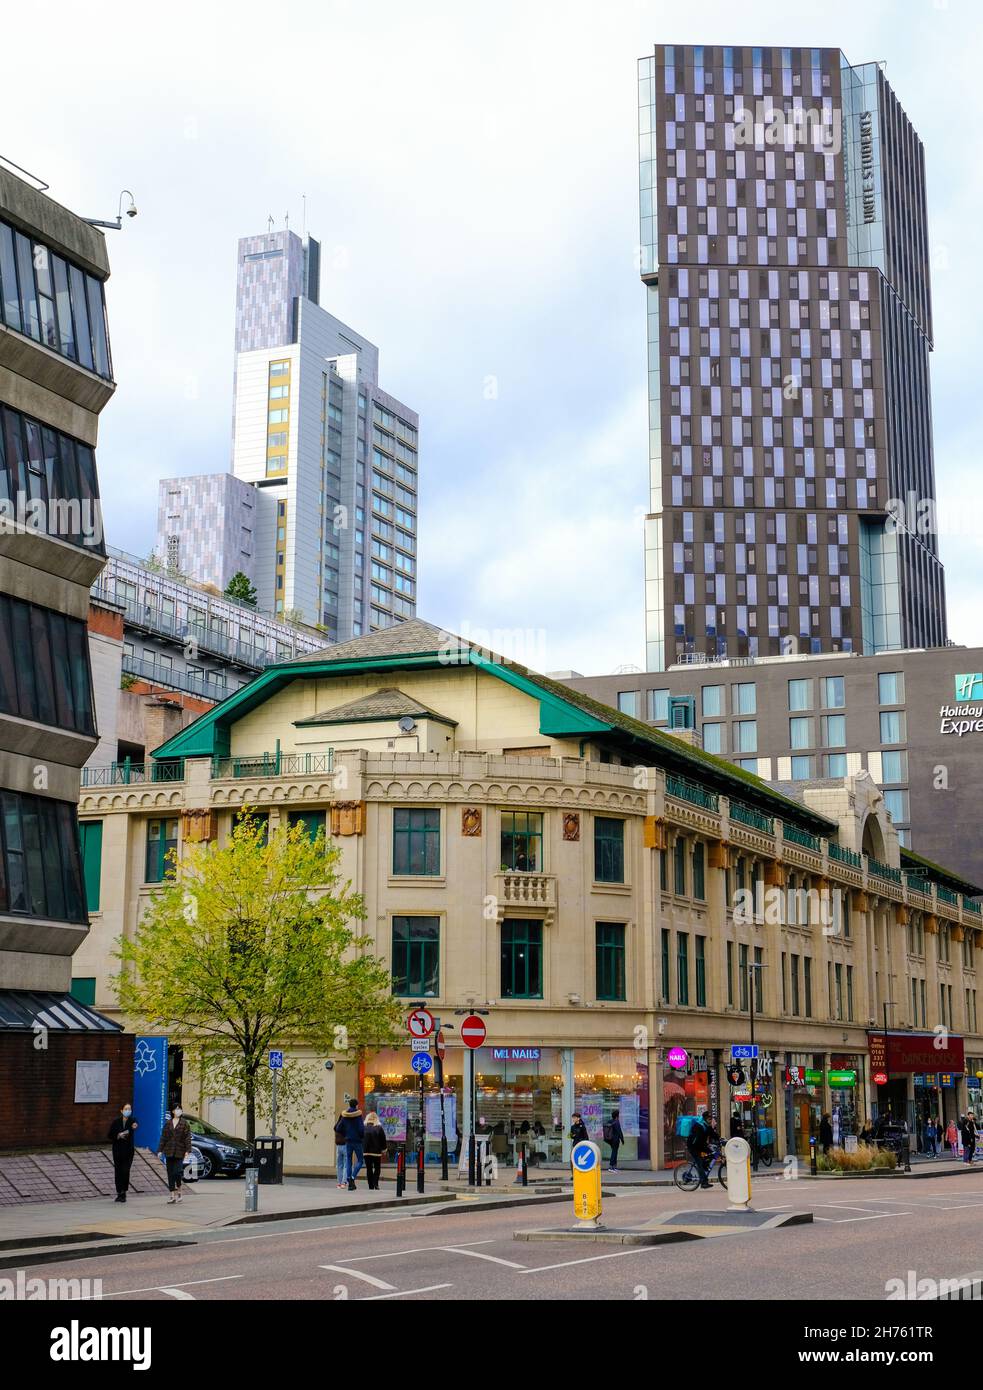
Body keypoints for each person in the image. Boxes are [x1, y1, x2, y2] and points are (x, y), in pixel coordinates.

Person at [157, 1105, 192, 1204]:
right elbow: (163, 1138)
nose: (178, 1110)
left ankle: (179, 1190)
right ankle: (172, 1195)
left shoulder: (184, 1123)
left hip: (179, 1152)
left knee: (177, 1172)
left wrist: (187, 1151)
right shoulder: (168, 1123)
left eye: (180, 1109)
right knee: (170, 1173)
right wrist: (160, 1150)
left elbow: (187, 1138)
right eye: (176, 1109)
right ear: (172, 1111)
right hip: (169, 1151)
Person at [107, 1103, 138, 1203]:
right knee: (118, 1171)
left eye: (129, 1109)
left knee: (125, 1171)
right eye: (126, 1109)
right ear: (121, 1110)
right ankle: (119, 1192)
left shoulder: (132, 1121)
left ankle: (124, 1192)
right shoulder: (116, 1122)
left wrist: (134, 1126)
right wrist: (118, 1135)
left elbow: (135, 1124)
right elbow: (110, 1135)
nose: (128, 1110)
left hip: (128, 1151)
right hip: (118, 1151)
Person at [686, 1109, 718, 1190]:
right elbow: (698, 1141)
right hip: (693, 1147)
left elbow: (713, 1135)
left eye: (711, 1119)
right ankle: (703, 1182)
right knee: (699, 1163)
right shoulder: (699, 1126)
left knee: (712, 1154)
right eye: (709, 1119)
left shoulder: (707, 1126)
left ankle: (705, 1166)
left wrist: (721, 1139)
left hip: (700, 1146)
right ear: (705, 1119)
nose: (711, 1121)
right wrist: (707, 1147)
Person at [339, 1098, 365, 1191]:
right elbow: (361, 1129)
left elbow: (338, 1128)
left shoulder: (345, 1115)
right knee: (360, 1160)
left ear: (349, 1105)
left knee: (349, 1161)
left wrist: (346, 1134)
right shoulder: (358, 1115)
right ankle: (353, 1177)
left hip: (348, 1141)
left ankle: (349, 1179)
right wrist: (361, 1136)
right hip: (357, 1141)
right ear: (356, 1105)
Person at [362, 1111, 388, 1190]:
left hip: (366, 1151)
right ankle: (375, 1183)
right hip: (376, 1152)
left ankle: (370, 1185)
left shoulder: (364, 1127)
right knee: (377, 1168)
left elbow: (361, 1139)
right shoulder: (379, 1128)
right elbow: (383, 1140)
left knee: (369, 1168)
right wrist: (384, 1149)